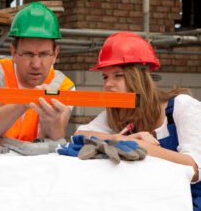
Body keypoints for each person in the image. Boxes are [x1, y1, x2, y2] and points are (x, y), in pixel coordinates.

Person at [75, 31, 201, 210]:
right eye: (105, 76)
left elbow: (194, 169)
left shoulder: (182, 107)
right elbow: (79, 135)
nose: (108, 84)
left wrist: (144, 149)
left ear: (139, 77)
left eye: (118, 75)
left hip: (190, 202)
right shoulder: (116, 115)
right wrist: (127, 140)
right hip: (152, 202)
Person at [0, 2, 75, 143]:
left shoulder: (64, 86)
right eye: (28, 54)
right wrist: (25, 101)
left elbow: (57, 137)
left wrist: (53, 122)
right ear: (14, 53)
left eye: (43, 54)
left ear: (55, 53)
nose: (36, 64)